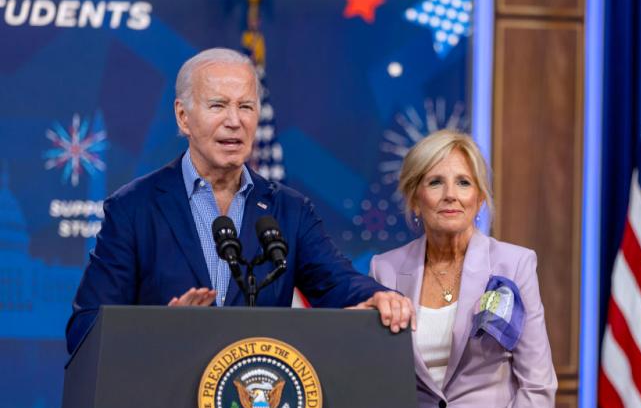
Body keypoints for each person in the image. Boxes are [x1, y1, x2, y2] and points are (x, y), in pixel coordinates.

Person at [66, 48, 414, 354]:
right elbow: (86, 328)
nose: (234, 121)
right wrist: (163, 328)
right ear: (183, 116)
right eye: (218, 105)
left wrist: (378, 296)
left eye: (245, 106)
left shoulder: (288, 211)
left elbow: (338, 281)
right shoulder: (133, 209)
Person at [370, 130, 557, 408]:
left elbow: (538, 384)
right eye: (435, 182)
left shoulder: (514, 265)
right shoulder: (385, 270)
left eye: (463, 182)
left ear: (480, 198)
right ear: (415, 199)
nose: (450, 195)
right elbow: (377, 380)